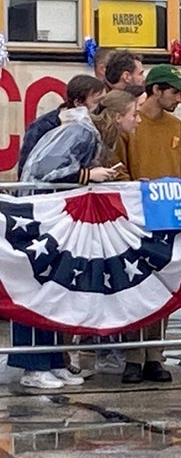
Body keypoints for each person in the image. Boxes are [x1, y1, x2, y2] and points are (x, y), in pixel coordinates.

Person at [8, 89, 139, 389]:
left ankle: (53, 360)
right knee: (36, 287)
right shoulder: (82, 133)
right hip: (41, 215)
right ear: (118, 116)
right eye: (134, 114)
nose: (138, 119)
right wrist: (87, 176)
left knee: (55, 289)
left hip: (55, 217)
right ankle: (33, 364)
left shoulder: (94, 136)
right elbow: (44, 170)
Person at [122, 66, 181, 383]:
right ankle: (133, 356)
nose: (179, 98)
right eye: (174, 92)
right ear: (156, 90)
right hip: (137, 215)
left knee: (163, 285)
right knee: (135, 287)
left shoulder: (177, 125)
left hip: (169, 215)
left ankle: (155, 355)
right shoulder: (131, 125)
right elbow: (119, 169)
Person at [18, 75, 105, 177]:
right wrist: (85, 175)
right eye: (96, 102)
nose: (100, 108)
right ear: (78, 103)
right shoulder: (42, 126)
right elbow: (36, 168)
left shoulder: (92, 125)